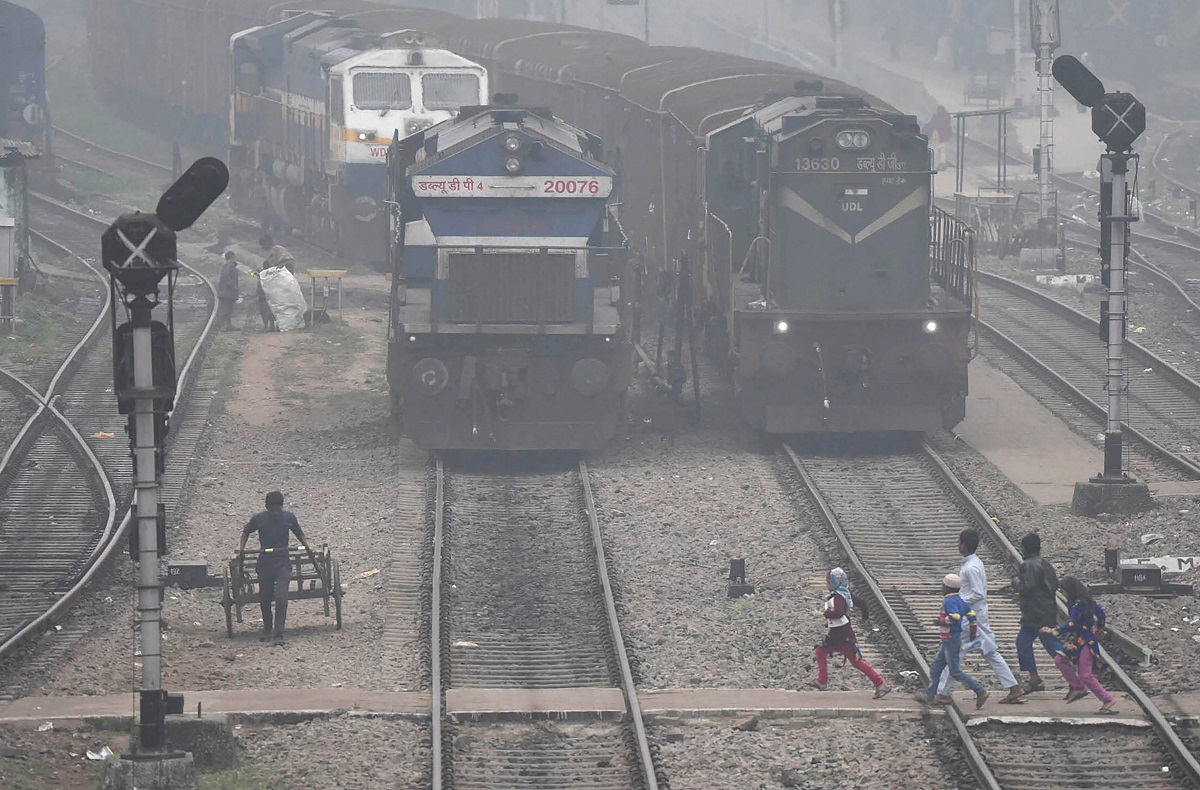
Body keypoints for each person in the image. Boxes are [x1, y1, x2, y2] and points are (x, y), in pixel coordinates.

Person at [938, 529, 1025, 704]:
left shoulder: (971, 567)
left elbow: (978, 593)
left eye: (958, 541)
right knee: (989, 652)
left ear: (963, 544)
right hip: (975, 617)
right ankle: (1014, 688)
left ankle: (943, 692)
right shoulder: (973, 564)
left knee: (953, 653)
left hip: (970, 619)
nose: (957, 544)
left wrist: (958, 601)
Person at [237, 491, 310, 645]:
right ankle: (267, 628)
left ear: (282, 507)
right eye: (272, 509)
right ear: (267, 507)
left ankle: (279, 634)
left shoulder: (289, 518)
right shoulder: (259, 519)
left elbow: (299, 533)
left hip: (283, 563)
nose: (275, 512)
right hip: (265, 564)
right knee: (265, 598)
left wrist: (308, 547)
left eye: (278, 509)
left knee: (282, 597)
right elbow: (245, 532)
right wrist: (241, 550)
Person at [1041, 577, 1118, 713]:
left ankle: (1107, 699)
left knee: (1085, 674)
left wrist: (1054, 631)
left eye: (1063, 590)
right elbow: (1100, 614)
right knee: (1060, 659)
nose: (1063, 593)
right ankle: (1078, 687)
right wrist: (1099, 627)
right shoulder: (1087, 602)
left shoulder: (1077, 605)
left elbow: (1072, 623)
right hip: (1082, 640)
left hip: (1086, 642)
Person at [814, 567, 890, 699]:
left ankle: (880, 683)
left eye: (828, 582)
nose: (827, 585)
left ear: (834, 582)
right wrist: (864, 617)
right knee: (824, 652)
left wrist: (826, 613)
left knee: (855, 661)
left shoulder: (838, 597)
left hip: (842, 636)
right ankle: (822, 680)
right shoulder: (846, 593)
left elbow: (839, 612)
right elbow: (862, 603)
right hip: (840, 635)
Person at [918, 573, 988, 709]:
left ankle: (980, 690)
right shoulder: (960, 600)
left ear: (946, 587)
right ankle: (930, 697)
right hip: (949, 641)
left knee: (955, 671)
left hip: (950, 640)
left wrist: (941, 621)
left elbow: (955, 617)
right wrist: (973, 631)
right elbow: (972, 615)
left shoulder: (948, 601)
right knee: (935, 669)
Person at [1013, 532, 1061, 693]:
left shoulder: (1029, 565)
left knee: (1050, 646)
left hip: (1035, 615)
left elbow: (1027, 588)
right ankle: (1034, 679)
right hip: (1045, 611)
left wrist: (1016, 582)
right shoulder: (1045, 563)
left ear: (1025, 548)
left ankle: (1079, 675)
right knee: (1028, 643)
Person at [216, 251, 240, 332]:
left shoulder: (229, 265)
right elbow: (226, 276)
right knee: (225, 310)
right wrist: (233, 285)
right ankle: (222, 326)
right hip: (226, 292)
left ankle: (228, 325)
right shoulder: (229, 265)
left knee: (229, 309)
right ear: (232, 256)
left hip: (227, 292)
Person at [255, 262, 277, 332]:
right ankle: (271, 325)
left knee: (264, 311)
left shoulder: (263, 274)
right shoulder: (272, 274)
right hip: (270, 296)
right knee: (270, 310)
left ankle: (266, 326)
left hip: (263, 296)